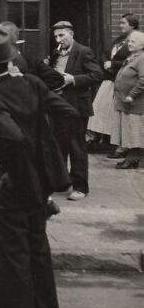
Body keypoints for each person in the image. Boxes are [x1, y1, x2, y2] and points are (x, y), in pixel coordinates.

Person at [0, 29, 72, 308]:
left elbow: (13, 139)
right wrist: (46, 155)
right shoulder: (33, 84)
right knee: (38, 255)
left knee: (12, 261)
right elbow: (67, 113)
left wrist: (14, 169)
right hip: (38, 183)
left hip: (12, 185)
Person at [48, 21, 102, 200]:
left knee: (76, 147)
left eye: (62, 35)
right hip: (58, 105)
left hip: (77, 106)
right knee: (59, 144)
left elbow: (97, 75)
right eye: (56, 36)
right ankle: (62, 182)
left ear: (71, 34)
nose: (58, 39)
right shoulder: (56, 52)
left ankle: (80, 187)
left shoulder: (84, 51)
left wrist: (74, 79)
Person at [92, 14, 139, 155]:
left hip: (125, 81)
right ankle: (103, 140)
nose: (121, 26)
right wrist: (106, 62)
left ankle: (123, 147)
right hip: (111, 79)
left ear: (132, 25)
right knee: (101, 109)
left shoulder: (137, 40)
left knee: (121, 113)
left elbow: (134, 60)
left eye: (123, 23)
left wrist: (113, 63)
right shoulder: (119, 39)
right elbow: (105, 53)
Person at [111, 30, 144, 169]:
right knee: (129, 131)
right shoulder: (132, 57)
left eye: (133, 42)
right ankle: (132, 158)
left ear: (142, 44)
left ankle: (133, 159)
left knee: (134, 131)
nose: (129, 44)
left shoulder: (142, 58)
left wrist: (132, 94)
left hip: (135, 103)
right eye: (128, 41)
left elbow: (143, 79)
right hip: (126, 103)